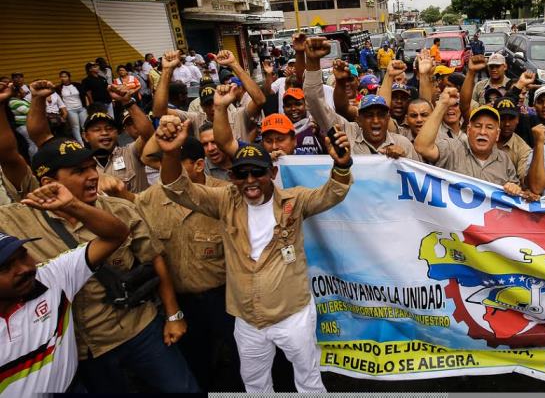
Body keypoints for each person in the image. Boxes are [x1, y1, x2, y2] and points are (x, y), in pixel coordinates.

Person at [157, 115, 353, 393]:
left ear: (272, 174)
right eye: (242, 173)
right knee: (255, 385)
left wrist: (342, 164)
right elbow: (179, 190)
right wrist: (169, 154)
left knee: (308, 382)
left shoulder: (293, 201)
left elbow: (333, 192)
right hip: (248, 321)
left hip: (293, 315)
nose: (250, 180)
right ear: (232, 177)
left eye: (257, 172)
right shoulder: (225, 201)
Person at [0, 138, 199, 393]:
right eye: (79, 171)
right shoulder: (16, 220)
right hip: (82, 350)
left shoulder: (120, 210)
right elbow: (8, 155)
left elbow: (155, 258)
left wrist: (174, 316)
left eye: (92, 167)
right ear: (49, 183)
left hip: (138, 329)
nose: (92, 175)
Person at [0, 184, 129, 396]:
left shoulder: (51, 277)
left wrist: (72, 205)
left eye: (23, 255)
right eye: (5, 267)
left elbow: (116, 235)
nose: (24, 269)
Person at [134, 136, 241, 391]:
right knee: (196, 366)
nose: (165, 172)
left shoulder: (225, 196)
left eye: (174, 164)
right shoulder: (147, 201)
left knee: (242, 363)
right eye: (163, 164)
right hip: (180, 304)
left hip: (226, 298)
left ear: (198, 165)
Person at [28, 81, 155, 193]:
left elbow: (148, 135)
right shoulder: (77, 163)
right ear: (85, 136)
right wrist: (38, 99)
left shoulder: (131, 152)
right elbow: (42, 137)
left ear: (117, 133)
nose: (104, 133)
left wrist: (128, 102)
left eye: (109, 129)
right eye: (97, 130)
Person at [304, 37, 418, 159]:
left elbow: (420, 175)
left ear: (388, 118)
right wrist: (312, 62)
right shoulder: (346, 134)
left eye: (381, 115)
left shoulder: (403, 144)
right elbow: (315, 102)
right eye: (369, 115)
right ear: (358, 119)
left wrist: (403, 158)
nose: (375, 121)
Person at [414, 87, 531, 198]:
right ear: (469, 130)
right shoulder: (452, 148)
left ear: (497, 135)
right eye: (478, 126)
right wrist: (442, 105)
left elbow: (518, 195)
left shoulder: (504, 161)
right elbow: (422, 147)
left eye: (489, 127)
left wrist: (514, 188)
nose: (483, 132)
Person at [493, 97, 533, 184]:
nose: (507, 124)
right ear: (494, 119)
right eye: (502, 118)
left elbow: (525, 179)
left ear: (518, 119)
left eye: (511, 119)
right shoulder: (483, 138)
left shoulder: (523, 148)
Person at [57, 71, 89, 143]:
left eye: (65, 76)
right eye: (61, 77)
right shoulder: (59, 88)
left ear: (69, 77)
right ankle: (80, 143)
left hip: (81, 108)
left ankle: (88, 140)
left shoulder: (77, 85)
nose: (63, 78)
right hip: (70, 109)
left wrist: (87, 106)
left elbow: (84, 95)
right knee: (75, 127)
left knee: (85, 126)